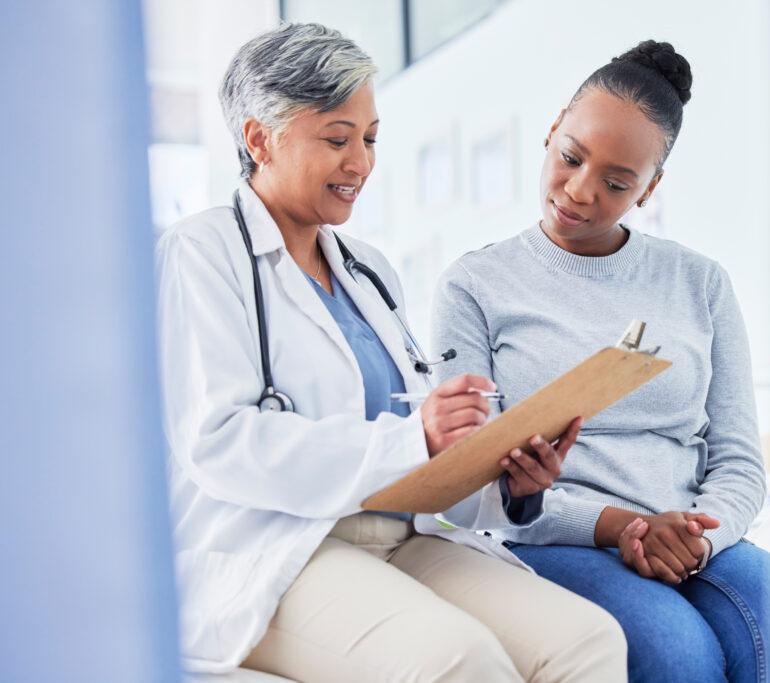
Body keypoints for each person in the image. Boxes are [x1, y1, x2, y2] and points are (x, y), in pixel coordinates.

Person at [156, 23, 627, 682]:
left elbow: (420, 457)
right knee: (457, 660)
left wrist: (509, 481)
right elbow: (221, 441)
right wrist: (413, 440)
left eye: (370, 139)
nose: (361, 163)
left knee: (588, 640)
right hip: (281, 551)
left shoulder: (369, 272)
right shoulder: (201, 254)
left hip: (402, 536)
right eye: (337, 139)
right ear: (259, 139)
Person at [432, 41, 770, 682]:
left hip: (689, 533)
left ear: (650, 188)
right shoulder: (475, 285)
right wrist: (624, 524)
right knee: (676, 652)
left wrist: (698, 535)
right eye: (570, 158)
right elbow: (468, 479)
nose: (578, 191)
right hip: (558, 536)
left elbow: (740, 460)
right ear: (550, 133)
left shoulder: (700, 282)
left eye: (617, 182)